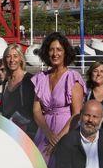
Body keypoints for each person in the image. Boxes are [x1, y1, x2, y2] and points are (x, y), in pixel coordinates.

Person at [31, 32, 86, 161]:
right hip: (44, 132)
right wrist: (48, 133)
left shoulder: (72, 78)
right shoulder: (41, 78)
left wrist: (57, 139)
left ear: (65, 52)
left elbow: (76, 114)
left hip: (66, 132)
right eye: (51, 49)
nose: (55, 54)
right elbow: (36, 110)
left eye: (59, 49)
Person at [0, 43, 36, 136]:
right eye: (8, 56)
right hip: (8, 130)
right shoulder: (6, 81)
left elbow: (34, 109)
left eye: (15, 56)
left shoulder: (30, 79)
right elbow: (2, 108)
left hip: (26, 132)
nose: (12, 60)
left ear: (21, 59)